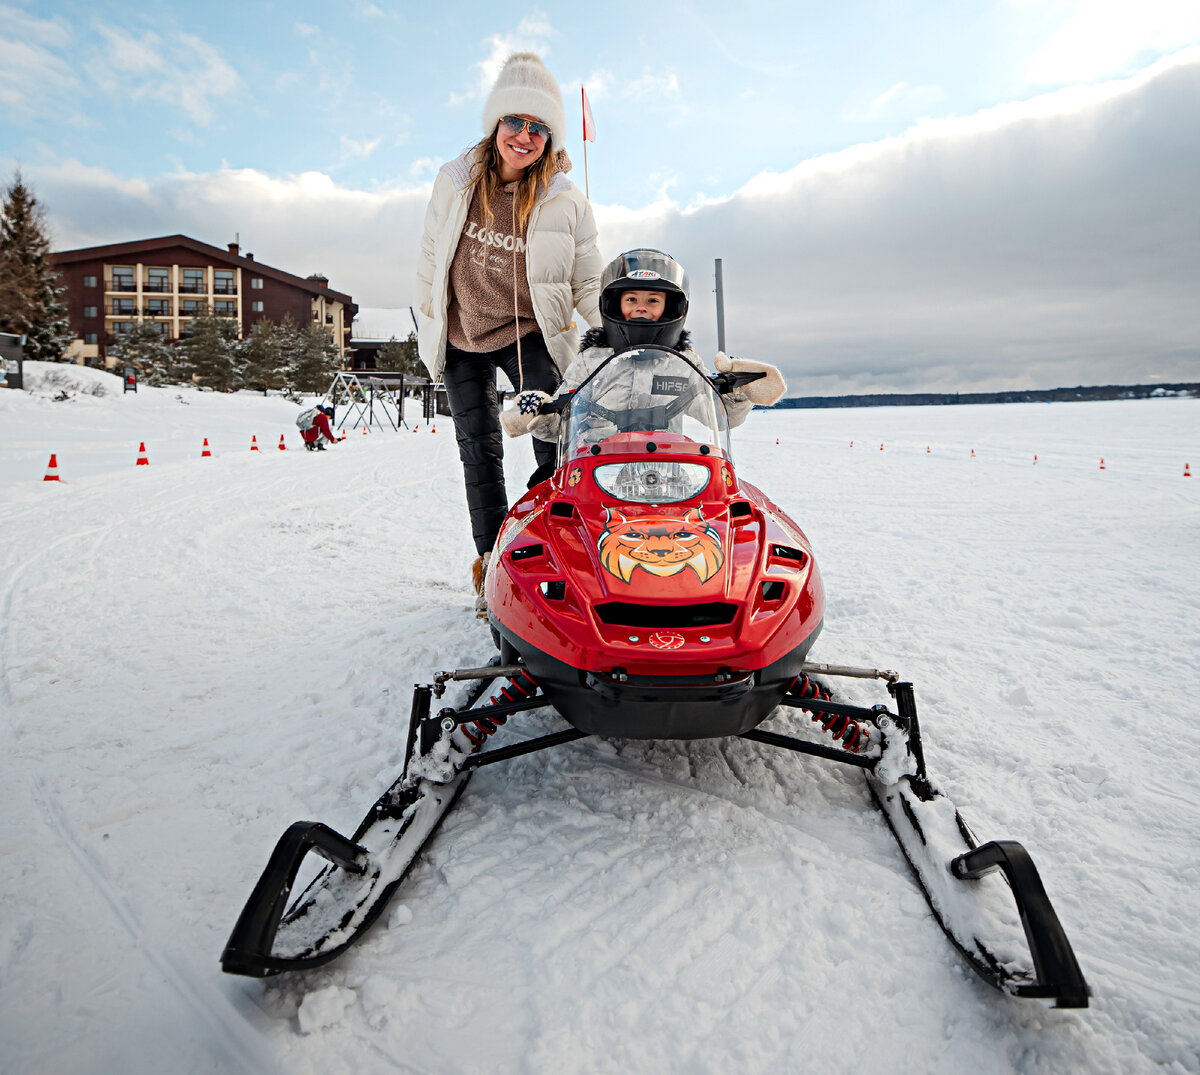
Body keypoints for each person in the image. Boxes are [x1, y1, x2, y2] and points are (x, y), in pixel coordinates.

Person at [415, 52, 603, 616]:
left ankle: (551, 556)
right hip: (460, 338)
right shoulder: (454, 180)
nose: (524, 136)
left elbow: (588, 277)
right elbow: (430, 257)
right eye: (514, 121)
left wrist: (628, 324)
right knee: (480, 456)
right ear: (496, 124)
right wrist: (429, 322)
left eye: (538, 127)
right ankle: (493, 566)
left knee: (555, 445)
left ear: (550, 137)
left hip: (527, 335)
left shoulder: (565, 200)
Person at [501, 248, 786, 445]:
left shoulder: (684, 362)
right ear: (614, 304)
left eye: (652, 301)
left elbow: (720, 417)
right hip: (594, 466)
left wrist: (739, 390)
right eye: (631, 299)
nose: (641, 307)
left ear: (669, 307)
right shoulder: (591, 361)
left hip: (668, 470)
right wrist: (537, 411)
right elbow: (561, 424)